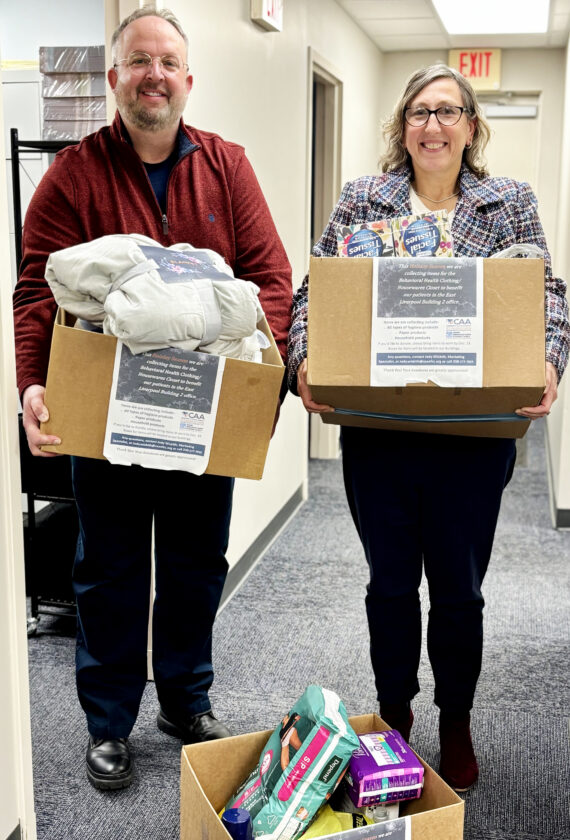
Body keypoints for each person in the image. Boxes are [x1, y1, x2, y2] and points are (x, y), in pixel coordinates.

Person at [13, 7, 292, 790]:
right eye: (139, 61)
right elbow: (35, 290)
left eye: (168, 62)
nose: (154, 76)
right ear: (114, 77)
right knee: (110, 570)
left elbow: (272, 282)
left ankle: (184, 701)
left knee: (197, 564)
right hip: (111, 416)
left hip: (203, 417)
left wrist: (252, 386)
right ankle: (108, 723)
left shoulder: (227, 167)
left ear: (188, 80)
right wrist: (32, 383)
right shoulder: (74, 174)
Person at [287, 64, 569, 792]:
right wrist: (304, 357)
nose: (432, 125)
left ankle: (456, 717)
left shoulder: (508, 202)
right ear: (402, 127)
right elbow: (316, 289)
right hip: (378, 432)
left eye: (448, 111)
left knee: (459, 591)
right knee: (388, 585)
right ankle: (394, 714)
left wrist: (549, 359)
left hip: (472, 437)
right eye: (419, 112)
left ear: (471, 127)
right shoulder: (363, 198)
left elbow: (548, 292)